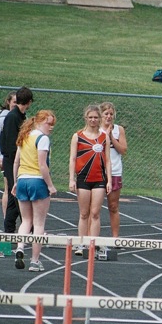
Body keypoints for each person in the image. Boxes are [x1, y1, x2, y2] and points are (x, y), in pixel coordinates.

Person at [12, 110, 57, 271]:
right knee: (39, 223)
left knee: (25, 220)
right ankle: (34, 260)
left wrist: (15, 182)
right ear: (39, 121)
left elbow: (16, 162)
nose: (50, 127)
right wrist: (50, 185)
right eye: (48, 123)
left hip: (23, 180)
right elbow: (42, 165)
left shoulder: (24, 136)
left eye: (52, 124)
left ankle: (20, 247)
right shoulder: (42, 139)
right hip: (37, 180)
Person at [69, 104, 112, 256]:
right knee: (84, 213)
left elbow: (107, 160)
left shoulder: (104, 137)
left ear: (99, 119)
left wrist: (109, 180)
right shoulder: (78, 136)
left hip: (99, 178)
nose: (93, 120)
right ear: (86, 118)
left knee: (95, 213)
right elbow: (73, 158)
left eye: (95, 117)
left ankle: (92, 243)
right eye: (90, 117)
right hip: (83, 178)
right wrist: (71, 179)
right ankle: (81, 244)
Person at [0, 86, 33, 233]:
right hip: (13, 161)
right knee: (18, 194)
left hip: (15, 160)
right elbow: (11, 143)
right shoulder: (13, 117)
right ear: (29, 102)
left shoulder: (20, 116)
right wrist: (17, 162)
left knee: (13, 198)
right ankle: (29, 227)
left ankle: (9, 228)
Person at [100, 102, 127, 239]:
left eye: (111, 114)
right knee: (94, 209)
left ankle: (115, 238)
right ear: (101, 115)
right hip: (98, 172)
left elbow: (123, 150)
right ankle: (91, 238)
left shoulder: (118, 130)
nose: (109, 116)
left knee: (113, 206)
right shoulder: (96, 129)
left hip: (115, 171)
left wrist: (111, 137)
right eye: (106, 114)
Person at [0, 91, 17, 218]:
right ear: (8, 102)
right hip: (7, 158)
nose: (16, 105)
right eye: (14, 102)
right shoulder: (3, 119)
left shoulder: (21, 117)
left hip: (19, 158)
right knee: (8, 188)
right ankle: (7, 217)